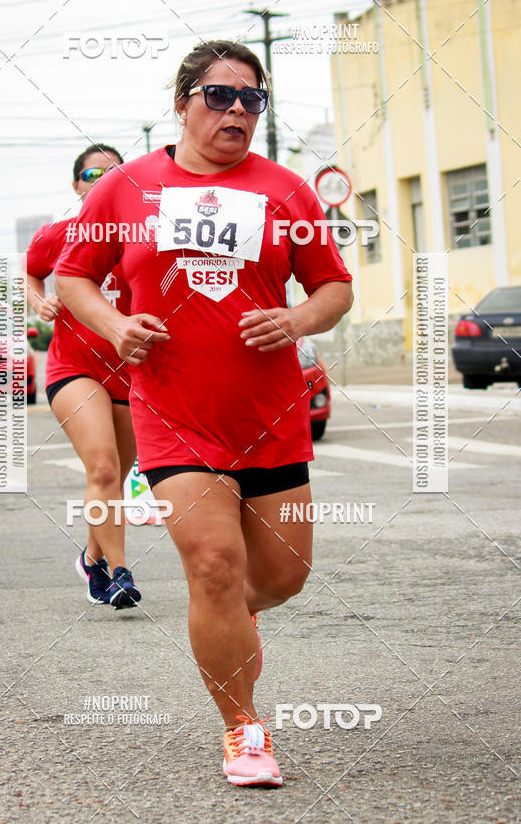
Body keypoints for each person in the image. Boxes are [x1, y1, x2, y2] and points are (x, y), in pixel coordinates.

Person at [55, 41, 353, 787]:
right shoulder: (125, 187)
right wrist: (115, 326)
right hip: (174, 415)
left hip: (269, 416)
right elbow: (72, 278)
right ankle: (243, 731)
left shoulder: (286, 190)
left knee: (282, 577)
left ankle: (226, 624)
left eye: (252, 99)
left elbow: (334, 287)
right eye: (220, 96)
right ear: (183, 103)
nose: (237, 111)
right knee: (215, 567)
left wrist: (297, 320)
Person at [24, 143, 141, 609]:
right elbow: (30, 273)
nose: (104, 180)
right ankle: (119, 573)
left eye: (115, 173)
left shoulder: (143, 236)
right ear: (76, 184)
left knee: (114, 476)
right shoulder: (60, 235)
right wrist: (40, 302)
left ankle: (92, 558)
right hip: (74, 368)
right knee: (104, 467)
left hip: (131, 373)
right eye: (93, 174)